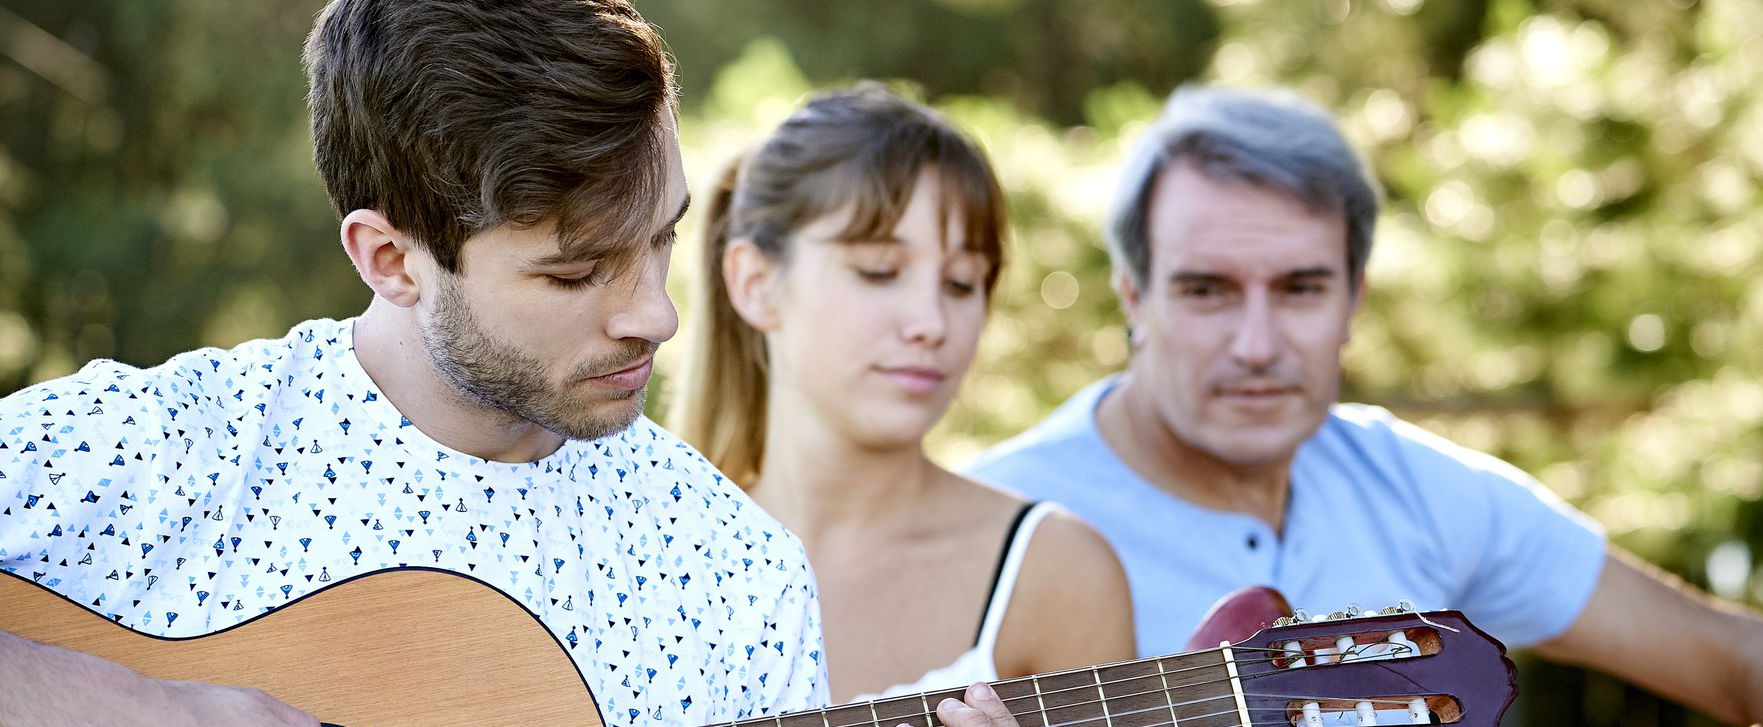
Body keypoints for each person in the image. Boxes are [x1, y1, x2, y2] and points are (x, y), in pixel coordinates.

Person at [0, 4, 1022, 727]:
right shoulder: (153, 449)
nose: (656, 317)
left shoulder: (732, 572)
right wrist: (128, 704)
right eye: (577, 274)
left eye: (660, 241)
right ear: (390, 258)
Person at [966, 85, 1763, 724]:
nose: (1255, 342)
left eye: (1300, 288)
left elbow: (1727, 661)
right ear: (1133, 298)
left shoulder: (1413, 485)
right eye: (1206, 290)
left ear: (1352, 302)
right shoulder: (980, 530)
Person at [671, 85, 1135, 704]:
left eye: (962, 283)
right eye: (879, 271)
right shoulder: (647, 556)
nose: (931, 322)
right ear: (755, 283)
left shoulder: (1053, 572)